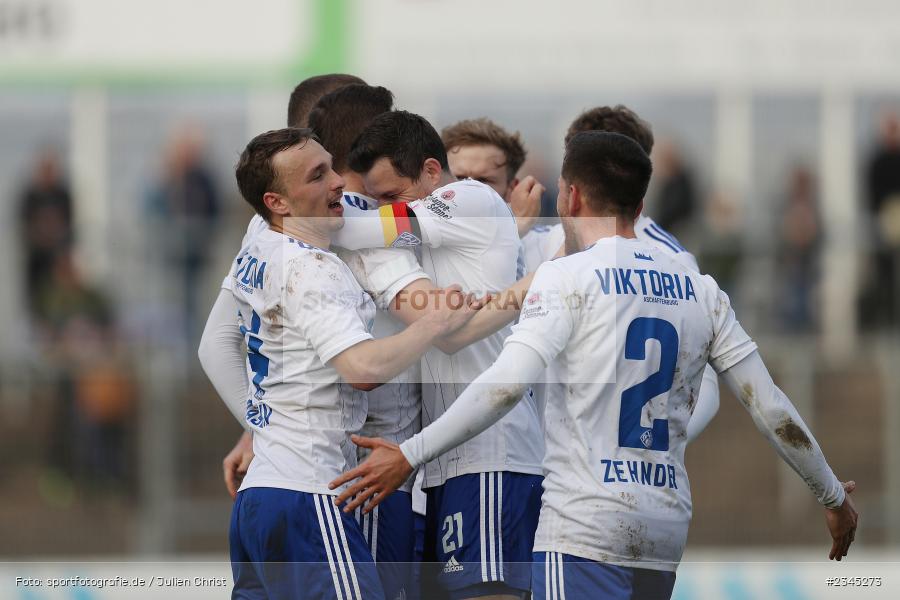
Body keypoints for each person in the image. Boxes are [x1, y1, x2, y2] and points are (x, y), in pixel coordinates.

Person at [330, 132, 859, 600]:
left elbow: (505, 387)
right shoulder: (701, 289)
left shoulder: (567, 277)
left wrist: (411, 454)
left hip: (582, 526)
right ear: (640, 202)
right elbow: (769, 405)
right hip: (664, 528)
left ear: (571, 195)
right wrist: (831, 496)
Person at [225, 127, 477, 599]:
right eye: (317, 175)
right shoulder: (312, 268)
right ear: (277, 202)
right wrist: (433, 323)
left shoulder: (257, 249)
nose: (338, 181)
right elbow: (361, 370)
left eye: (331, 166)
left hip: (258, 497)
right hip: (309, 492)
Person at [334, 110, 546, 600]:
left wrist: (302, 204)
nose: (383, 207)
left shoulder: (466, 197)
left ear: (432, 171)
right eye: (376, 198)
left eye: (391, 195)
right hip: (452, 457)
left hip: (491, 454)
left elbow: (352, 231)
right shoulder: (437, 227)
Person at [442, 118, 545, 239]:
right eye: (459, 178)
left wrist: (518, 228)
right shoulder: (423, 237)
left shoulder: (545, 242)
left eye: (483, 180)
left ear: (511, 189)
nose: (469, 189)